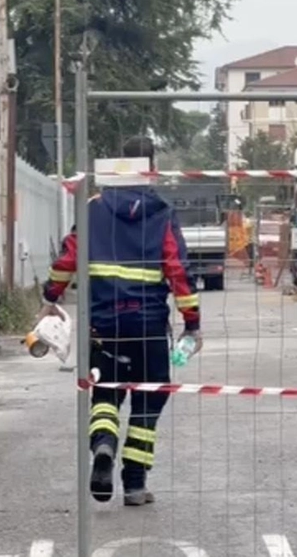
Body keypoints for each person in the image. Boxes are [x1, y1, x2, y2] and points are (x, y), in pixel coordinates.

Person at [40, 136, 202, 507]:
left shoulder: (91, 209)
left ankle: (104, 445)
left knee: (105, 394)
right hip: (147, 326)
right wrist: (192, 324)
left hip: (102, 325)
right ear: (151, 168)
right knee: (149, 401)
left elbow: (67, 259)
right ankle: (133, 483)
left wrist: (50, 299)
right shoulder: (162, 213)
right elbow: (178, 271)